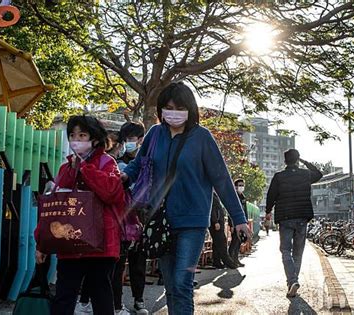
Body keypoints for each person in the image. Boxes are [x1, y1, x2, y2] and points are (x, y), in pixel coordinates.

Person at [122, 82, 251, 315]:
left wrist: (238, 218)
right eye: (168, 107)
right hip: (160, 221)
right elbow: (138, 164)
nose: (173, 112)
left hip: (192, 223)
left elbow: (221, 179)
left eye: (179, 107)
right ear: (161, 109)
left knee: (182, 283)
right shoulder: (154, 134)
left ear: (190, 109)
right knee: (170, 285)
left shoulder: (202, 137)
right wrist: (121, 176)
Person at [35, 115, 125, 315]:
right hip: (70, 242)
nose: (76, 140)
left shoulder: (106, 162)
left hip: (101, 244)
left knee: (101, 295)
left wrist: (85, 168)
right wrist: (41, 242)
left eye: (82, 135)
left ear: (94, 139)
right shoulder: (66, 168)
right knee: (64, 296)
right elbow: (53, 207)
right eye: (72, 135)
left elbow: (111, 193)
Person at [265, 149, 323, 298]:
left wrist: (268, 211)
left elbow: (271, 195)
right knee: (298, 252)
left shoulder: (279, 177)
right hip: (302, 217)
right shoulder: (305, 174)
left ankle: (292, 281)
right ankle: (293, 281)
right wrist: (304, 161)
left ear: (285, 161)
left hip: (285, 217)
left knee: (285, 250)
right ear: (297, 160)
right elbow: (319, 174)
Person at [114, 121, 148, 315]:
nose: (128, 142)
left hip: (142, 215)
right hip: (124, 217)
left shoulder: (146, 161)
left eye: (132, 139)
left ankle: (139, 299)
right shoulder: (118, 162)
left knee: (138, 261)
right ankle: (117, 304)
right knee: (119, 262)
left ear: (141, 140)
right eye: (125, 139)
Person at [209, 193, 238, 269]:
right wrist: (215, 221)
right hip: (216, 223)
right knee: (222, 242)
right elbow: (212, 209)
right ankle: (228, 262)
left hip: (218, 222)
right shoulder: (211, 194)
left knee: (216, 243)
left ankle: (217, 262)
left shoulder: (215, 195)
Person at [228, 179, 249, 267]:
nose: (241, 187)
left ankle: (236, 260)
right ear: (235, 186)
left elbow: (245, 211)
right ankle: (230, 261)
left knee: (238, 242)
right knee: (234, 242)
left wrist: (246, 222)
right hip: (235, 223)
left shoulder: (243, 197)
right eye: (240, 185)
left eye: (242, 185)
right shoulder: (234, 197)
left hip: (242, 223)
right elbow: (230, 211)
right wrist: (231, 225)